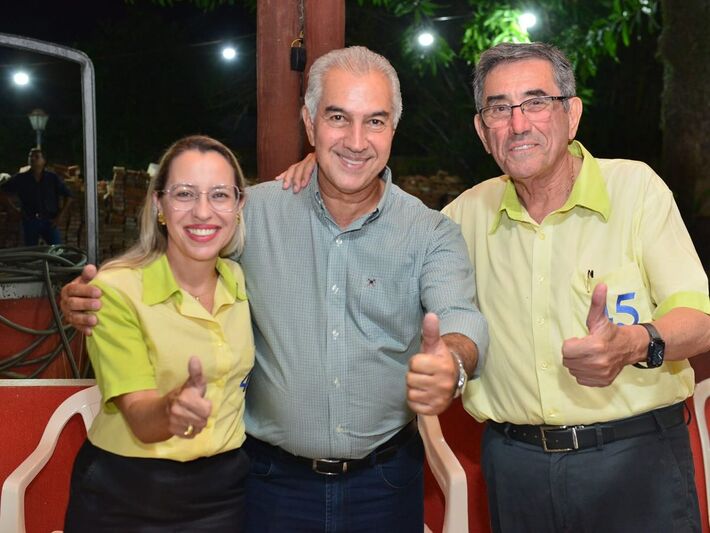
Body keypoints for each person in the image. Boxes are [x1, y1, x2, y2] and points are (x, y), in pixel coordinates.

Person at [276, 42, 710, 532]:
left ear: (572, 114)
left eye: (536, 102)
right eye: (498, 109)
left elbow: (700, 319)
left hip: (636, 460)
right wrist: (329, 177)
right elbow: (385, 249)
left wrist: (636, 342)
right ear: (483, 132)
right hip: (515, 467)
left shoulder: (636, 189)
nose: (518, 124)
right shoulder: (460, 218)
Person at [61, 46, 488, 532]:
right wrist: (88, 294)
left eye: (375, 121)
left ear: (393, 129)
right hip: (268, 484)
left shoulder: (431, 232)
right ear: (309, 124)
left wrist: (451, 362)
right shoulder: (253, 215)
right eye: (337, 117)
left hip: (385, 485)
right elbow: (176, 253)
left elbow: (460, 316)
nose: (355, 140)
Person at [63, 135, 254, 531]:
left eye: (219, 195)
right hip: (127, 496)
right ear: (159, 206)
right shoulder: (115, 291)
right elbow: (140, 418)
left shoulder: (237, 280)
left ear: (238, 207)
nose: (203, 212)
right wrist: (171, 410)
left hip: (225, 491)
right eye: (185, 194)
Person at [0, 147, 73, 245]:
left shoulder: (52, 178)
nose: (33, 159)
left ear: (44, 161)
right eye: (30, 156)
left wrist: (60, 216)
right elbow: (2, 192)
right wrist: (12, 209)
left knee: (57, 251)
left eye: (37, 157)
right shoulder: (20, 178)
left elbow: (69, 196)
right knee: (31, 253)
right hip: (30, 220)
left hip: (49, 221)